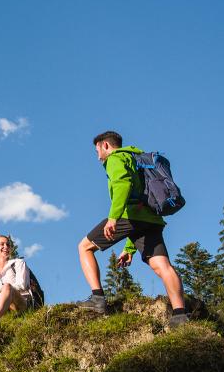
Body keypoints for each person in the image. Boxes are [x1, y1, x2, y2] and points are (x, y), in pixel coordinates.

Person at [75, 130, 188, 327]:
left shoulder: (116, 159)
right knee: (162, 266)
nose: (98, 155)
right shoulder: (137, 158)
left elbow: (122, 185)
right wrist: (129, 249)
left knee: (84, 247)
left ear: (106, 146)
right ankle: (180, 314)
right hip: (152, 218)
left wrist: (113, 218)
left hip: (128, 215)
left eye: (97, 150)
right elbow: (138, 222)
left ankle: (97, 298)